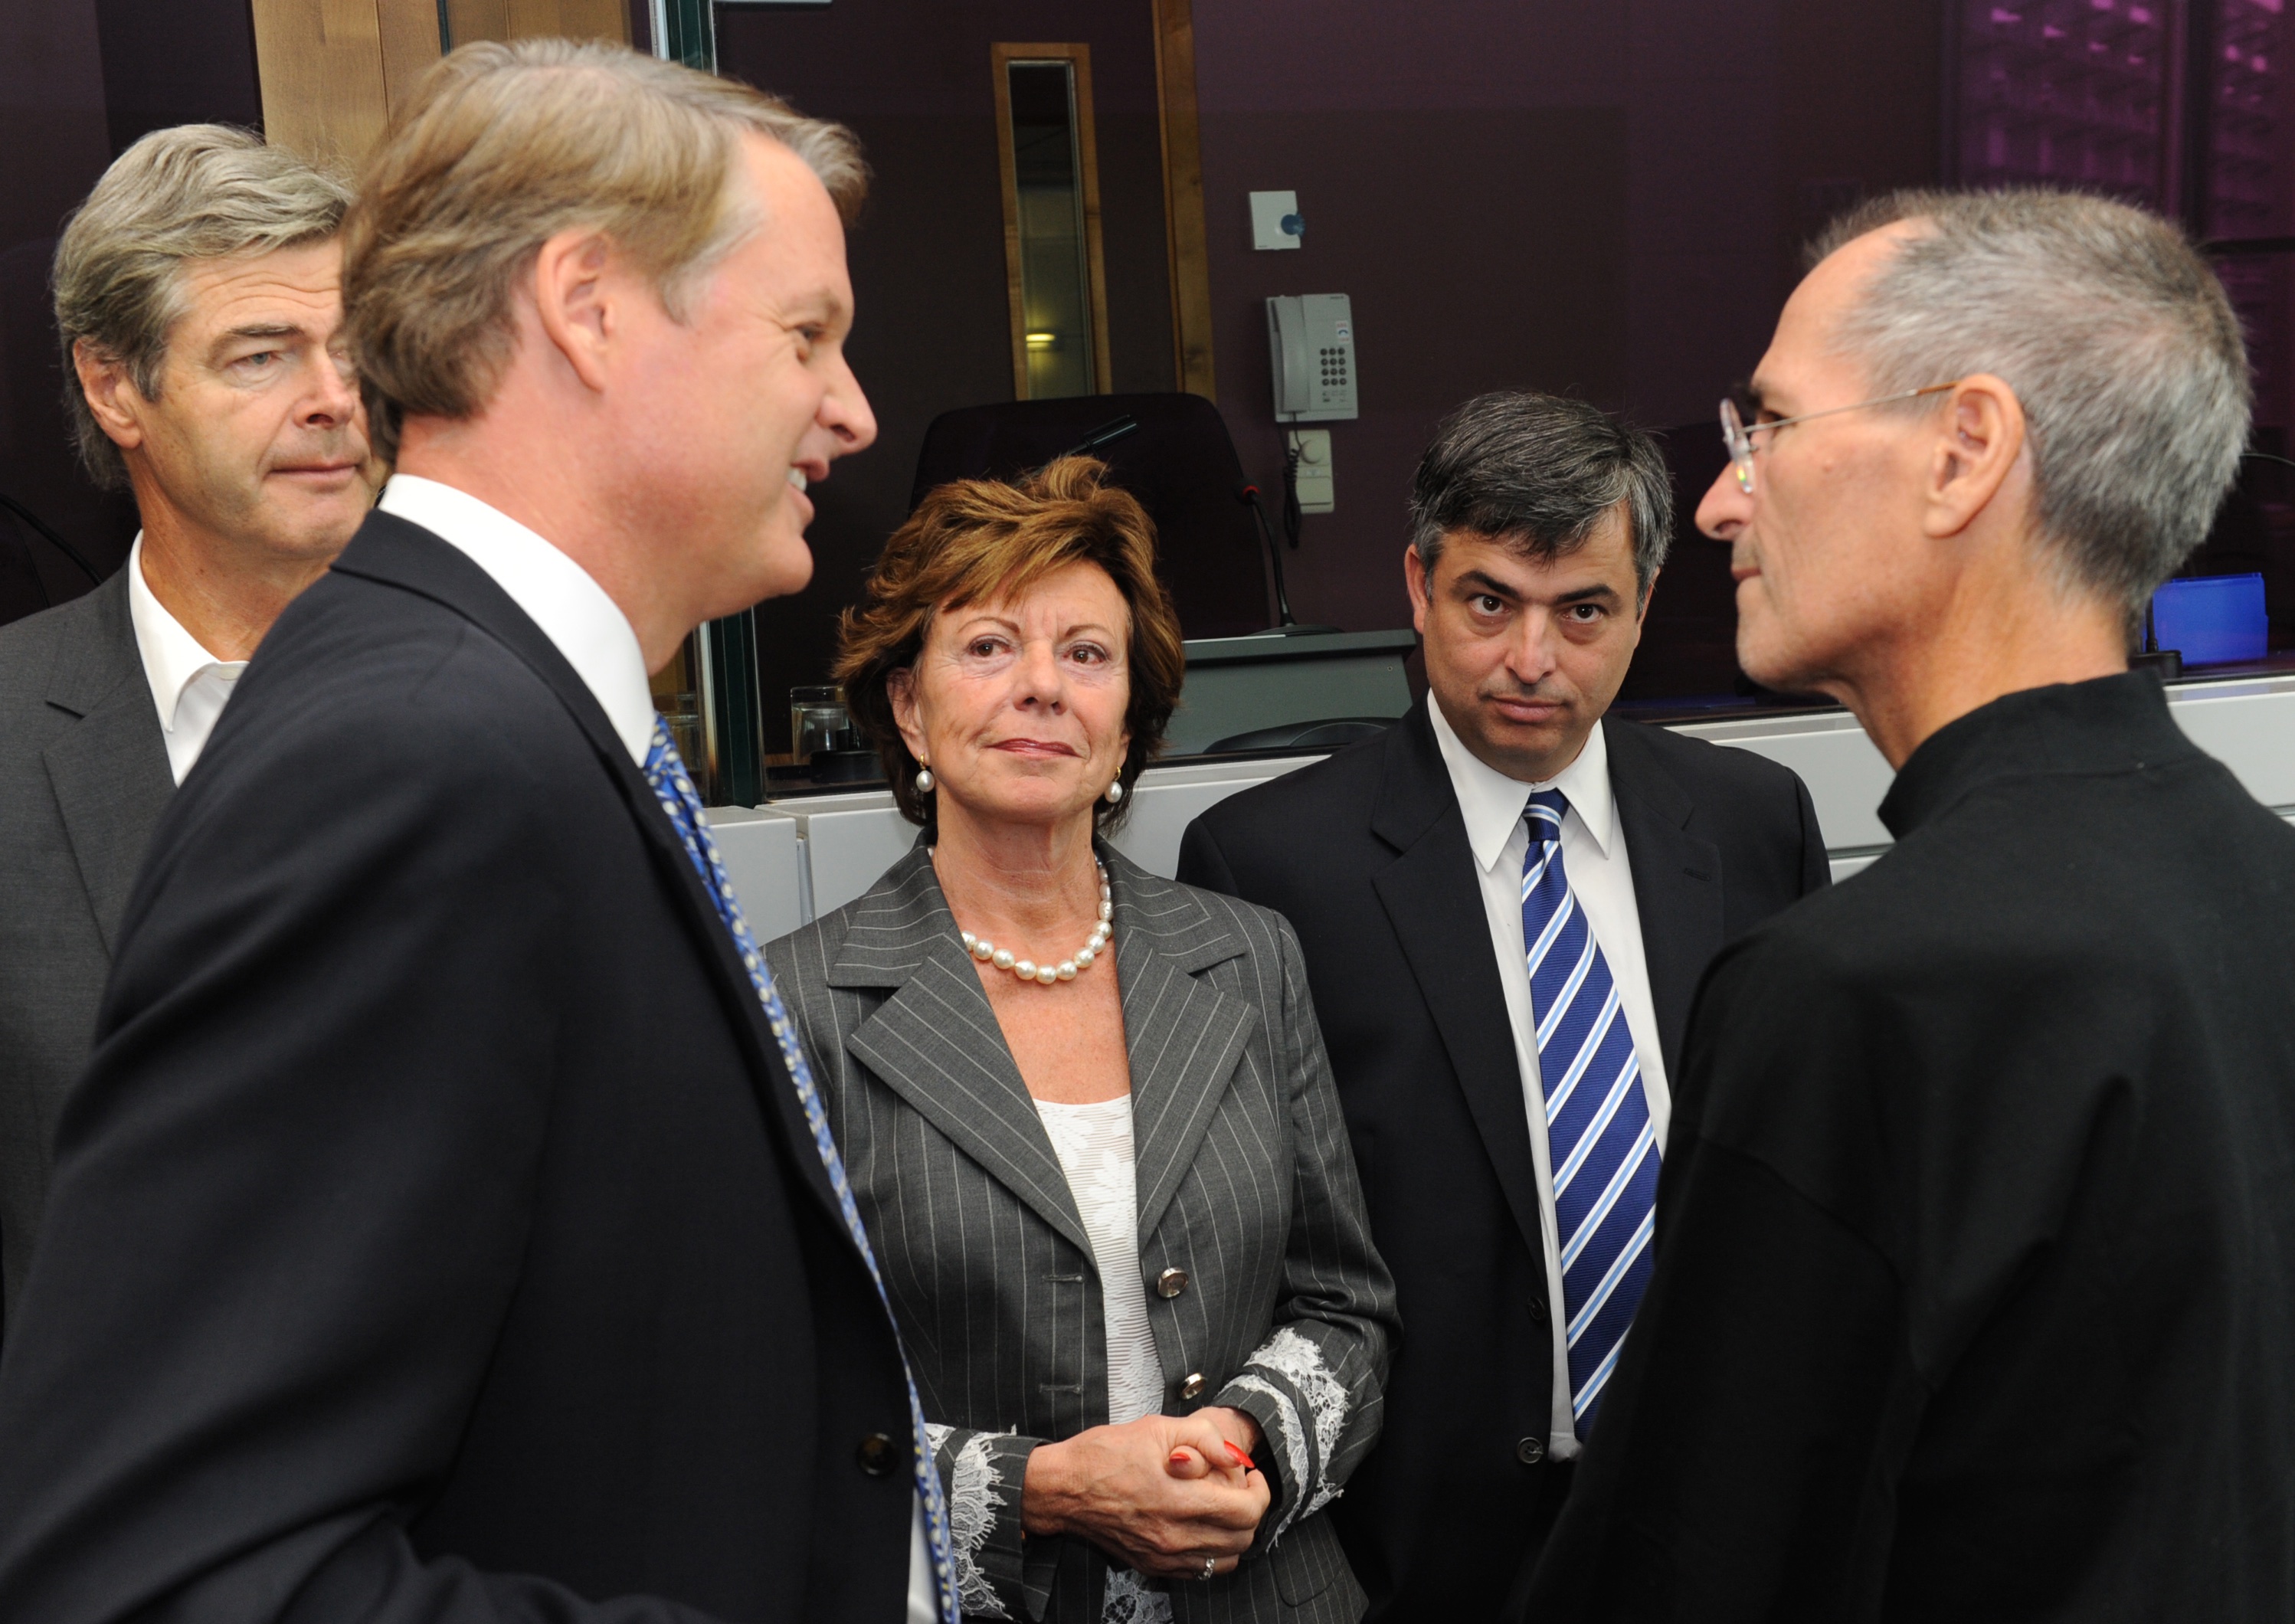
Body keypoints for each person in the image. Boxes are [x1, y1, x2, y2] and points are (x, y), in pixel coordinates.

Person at [0, 40, 951, 1624]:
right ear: (584, 306)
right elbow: (173, 1566)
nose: (851, 411)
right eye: (806, 335)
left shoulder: (502, 708)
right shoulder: (413, 755)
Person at [1522, 189, 2295, 1622]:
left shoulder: (1862, 989)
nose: (1717, 499)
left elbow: (1690, 1565)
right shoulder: (2267, 886)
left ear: (1964, 453)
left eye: (1769, 427)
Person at [1176, 392, 1828, 1622]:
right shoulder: (1268, 866)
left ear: (1641, 610)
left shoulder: (1754, 825)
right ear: (1418, 586)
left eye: (1583, 610)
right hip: (1422, 1548)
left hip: (1715, 1517)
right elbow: (1251, 1250)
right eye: (1490, 602)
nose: (1533, 659)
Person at [765, 457, 1398, 1624]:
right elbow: (770, 1403)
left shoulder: (1250, 956)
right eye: (990, 647)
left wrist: (1242, 1447)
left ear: (1130, 724)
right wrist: (1043, 1491)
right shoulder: (797, 1005)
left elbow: (1347, 1307)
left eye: (1087, 654)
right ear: (909, 705)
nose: (1042, 688)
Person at [0, 125, 371, 1336]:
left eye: (355, 350)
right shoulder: (13, 731)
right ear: (116, 386)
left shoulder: (535, 706)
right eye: (261, 356)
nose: (332, 400)